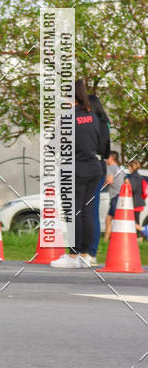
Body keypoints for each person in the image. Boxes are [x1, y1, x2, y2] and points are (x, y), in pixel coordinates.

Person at [51, 80, 103, 268]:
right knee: (87, 212)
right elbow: (98, 141)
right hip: (93, 168)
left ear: (69, 97)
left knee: (74, 213)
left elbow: (53, 145)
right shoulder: (93, 117)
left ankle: (73, 257)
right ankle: (85, 255)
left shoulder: (68, 118)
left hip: (74, 169)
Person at [87, 93, 110, 266]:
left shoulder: (97, 122)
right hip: (97, 166)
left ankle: (91, 252)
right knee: (86, 210)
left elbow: (103, 149)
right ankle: (85, 251)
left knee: (90, 211)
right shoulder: (104, 122)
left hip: (93, 166)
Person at [103, 151, 124, 244]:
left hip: (115, 196)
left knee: (113, 219)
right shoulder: (120, 169)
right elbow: (126, 182)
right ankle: (107, 240)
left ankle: (144, 229)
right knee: (110, 219)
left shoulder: (111, 167)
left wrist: (100, 186)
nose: (105, 160)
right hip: (120, 196)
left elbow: (110, 181)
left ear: (111, 157)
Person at [126, 160, 147, 237]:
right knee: (135, 220)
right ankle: (138, 236)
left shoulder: (133, 177)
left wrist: (127, 183)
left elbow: (132, 188)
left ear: (131, 167)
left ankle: (141, 233)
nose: (128, 168)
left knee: (134, 221)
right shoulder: (139, 176)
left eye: (128, 166)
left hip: (135, 203)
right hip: (139, 202)